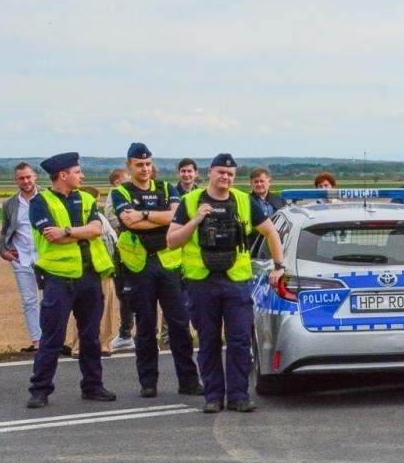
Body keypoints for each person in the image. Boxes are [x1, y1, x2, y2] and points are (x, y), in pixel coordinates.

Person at [166, 153, 287, 414]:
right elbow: (172, 240)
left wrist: (279, 266)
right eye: (221, 172)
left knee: (240, 340)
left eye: (230, 174)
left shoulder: (244, 201)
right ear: (209, 172)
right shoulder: (189, 202)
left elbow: (271, 232)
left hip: (236, 282)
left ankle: (238, 396)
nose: (226, 178)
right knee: (208, 341)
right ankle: (213, 396)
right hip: (201, 283)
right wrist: (196, 219)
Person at [25, 152, 116, 408]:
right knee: (52, 336)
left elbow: (97, 230)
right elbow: (51, 237)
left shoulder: (86, 198)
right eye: (78, 172)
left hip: (89, 276)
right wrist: (81, 233)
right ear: (63, 175)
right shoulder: (41, 202)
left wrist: (67, 231)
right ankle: (40, 390)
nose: (82, 176)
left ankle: (93, 386)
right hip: (59, 279)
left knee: (91, 336)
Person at [113, 143, 201, 398]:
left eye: (148, 164)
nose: (145, 169)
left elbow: (176, 218)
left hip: (169, 264)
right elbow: (128, 222)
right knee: (146, 326)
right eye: (139, 165)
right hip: (139, 266)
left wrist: (143, 214)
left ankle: (188, 381)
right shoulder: (120, 192)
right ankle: (148, 383)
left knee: (179, 325)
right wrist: (154, 217)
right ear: (129, 165)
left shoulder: (166, 188)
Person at [0, 163, 44, 353]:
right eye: (21, 178)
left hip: (46, 256)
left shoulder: (47, 197)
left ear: (35, 177)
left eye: (28, 177)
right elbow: (5, 231)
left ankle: (52, 339)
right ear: (15, 180)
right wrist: (4, 251)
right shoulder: (10, 204)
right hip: (22, 258)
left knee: (50, 299)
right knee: (29, 301)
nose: (25, 181)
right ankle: (37, 342)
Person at [103, 167, 136, 353]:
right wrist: (132, 222)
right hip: (122, 248)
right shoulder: (116, 194)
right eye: (126, 177)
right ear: (117, 182)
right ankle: (125, 333)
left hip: (133, 248)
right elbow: (112, 218)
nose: (129, 179)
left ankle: (131, 333)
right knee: (124, 292)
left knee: (135, 293)